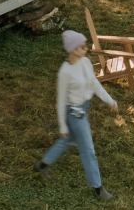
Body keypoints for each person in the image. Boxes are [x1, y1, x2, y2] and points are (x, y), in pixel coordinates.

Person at [36, 29, 121, 200]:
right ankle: (98, 189)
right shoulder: (65, 72)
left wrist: (109, 100)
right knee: (88, 150)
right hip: (74, 113)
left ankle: (42, 165)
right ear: (74, 50)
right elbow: (61, 100)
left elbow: (94, 84)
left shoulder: (86, 62)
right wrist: (63, 125)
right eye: (83, 47)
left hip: (84, 107)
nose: (86, 49)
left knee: (68, 140)